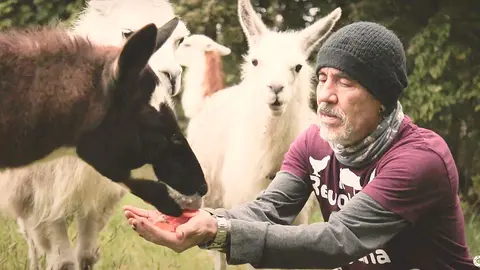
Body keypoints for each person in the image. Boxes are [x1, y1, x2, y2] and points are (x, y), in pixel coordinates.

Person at [123, 21, 477, 269]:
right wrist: (198, 220)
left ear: (381, 97)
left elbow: (337, 240)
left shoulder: (419, 160)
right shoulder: (315, 142)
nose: (325, 96)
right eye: (322, 78)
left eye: (346, 82)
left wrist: (220, 232)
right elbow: (269, 209)